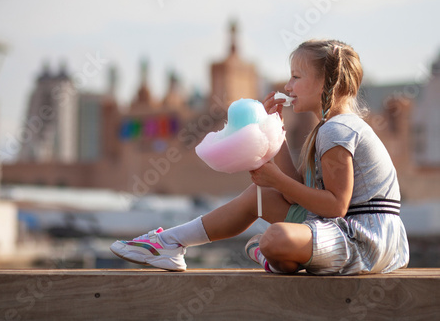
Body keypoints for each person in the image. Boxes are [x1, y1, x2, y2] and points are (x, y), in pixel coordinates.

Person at [110, 39, 409, 275]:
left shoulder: (337, 130)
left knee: (275, 239)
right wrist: (274, 129)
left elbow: (335, 206)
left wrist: (276, 178)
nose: (287, 87)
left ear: (325, 84)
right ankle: (169, 243)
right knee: (262, 194)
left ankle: (271, 251)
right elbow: (294, 192)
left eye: (296, 77)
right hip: (350, 231)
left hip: (364, 239)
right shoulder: (329, 128)